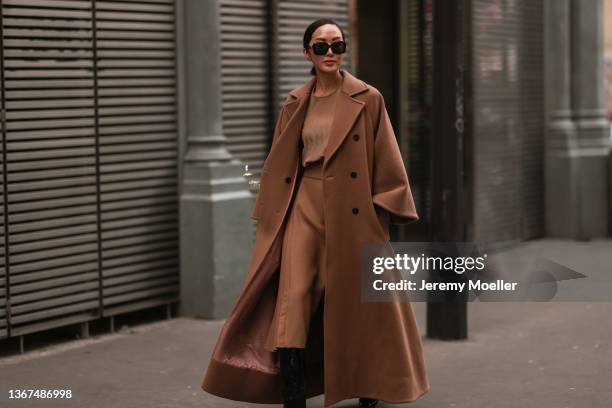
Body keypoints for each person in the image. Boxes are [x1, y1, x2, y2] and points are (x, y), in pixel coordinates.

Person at [201, 18, 429, 408]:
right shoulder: (295, 101)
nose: (329, 54)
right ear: (307, 52)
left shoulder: (367, 97)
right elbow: (282, 160)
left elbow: (386, 156)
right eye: (320, 46)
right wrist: (271, 210)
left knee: (357, 301)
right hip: (305, 201)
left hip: (354, 210)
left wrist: (385, 210)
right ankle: (293, 394)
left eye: (336, 46)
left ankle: (366, 389)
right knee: (294, 296)